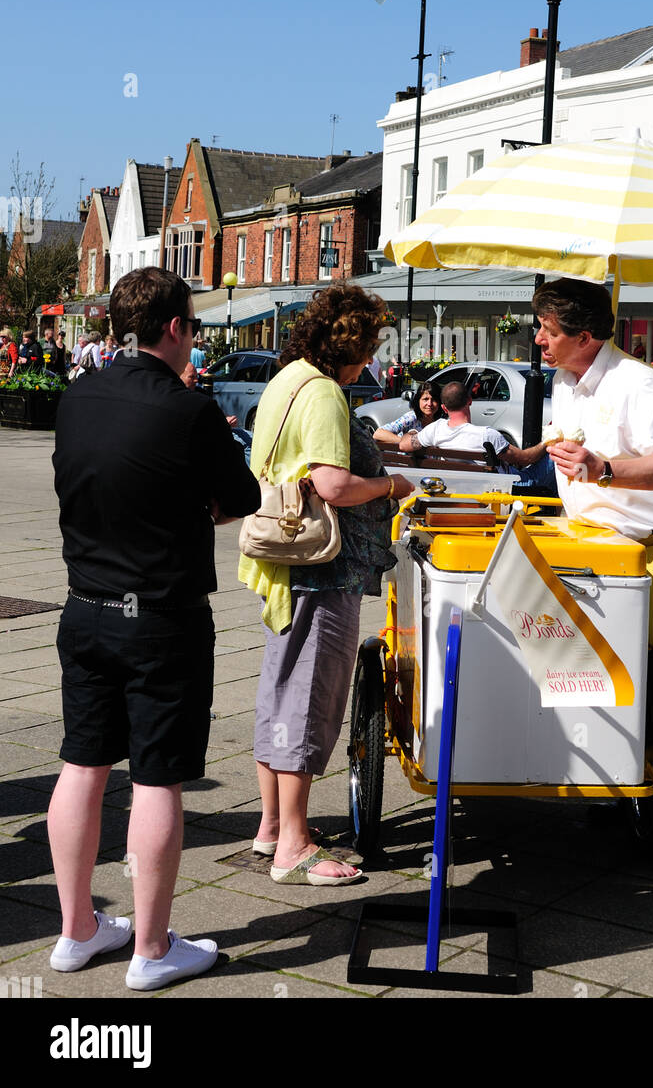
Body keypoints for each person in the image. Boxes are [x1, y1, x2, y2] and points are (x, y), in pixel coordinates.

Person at [49, 267, 260, 990]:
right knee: (157, 779)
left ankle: (76, 930)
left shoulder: (77, 395)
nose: (194, 342)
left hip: (85, 607)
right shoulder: (187, 408)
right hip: (159, 616)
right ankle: (151, 947)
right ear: (174, 329)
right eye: (194, 328)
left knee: (82, 764)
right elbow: (241, 499)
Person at [531, 277, 653, 876]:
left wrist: (604, 468)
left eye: (548, 330)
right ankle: (613, 794)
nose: (538, 339)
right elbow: (568, 447)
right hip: (599, 552)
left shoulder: (639, 383)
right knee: (602, 679)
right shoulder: (565, 381)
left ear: (585, 336)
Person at [239, 283, 413, 886]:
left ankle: (269, 827)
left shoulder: (288, 378)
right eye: (369, 346)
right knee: (310, 698)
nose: (372, 358)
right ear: (352, 343)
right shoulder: (325, 395)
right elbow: (335, 486)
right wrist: (392, 488)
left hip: (288, 562)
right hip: (323, 566)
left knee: (281, 690)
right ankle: (295, 844)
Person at [398, 380, 509, 459]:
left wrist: (413, 432)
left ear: (444, 408)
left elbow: (403, 445)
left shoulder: (435, 429)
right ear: (469, 401)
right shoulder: (488, 435)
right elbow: (522, 458)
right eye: (425, 399)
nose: (429, 404)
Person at [373, 380, 443, 448]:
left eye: (434, 400)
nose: (429, 404)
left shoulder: (442, 422)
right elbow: (378, 433)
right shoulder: (411, 417)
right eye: (425, 399)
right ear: (418, 401)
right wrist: (407, 443)